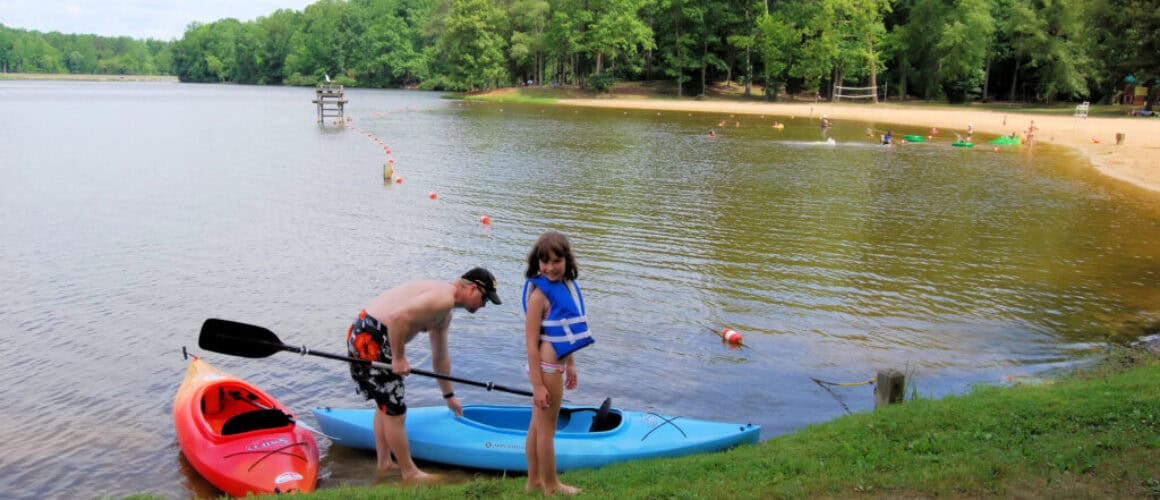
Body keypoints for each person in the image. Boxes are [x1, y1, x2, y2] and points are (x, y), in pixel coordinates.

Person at [345, 267, 502, 482]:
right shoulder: (443, 299)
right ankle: (409, 472)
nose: (483, 306)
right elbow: (397, 317)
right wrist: (398, 358)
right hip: (373, 335)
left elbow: (440, 358)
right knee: (395, 411)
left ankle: (385, 463)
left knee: (385, 404)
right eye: (485, 300)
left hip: (365, 330)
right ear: (474, 289)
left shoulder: (444, 314)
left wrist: (449, 397)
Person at [522, 231, 592, 496]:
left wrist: (571, 364)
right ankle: (552, 486)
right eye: (544, 261)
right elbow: (530, 344)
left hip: (555, 364)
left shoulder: (564, 287)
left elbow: (562, 333)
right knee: (547, 430)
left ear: (567, 261)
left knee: (536, 426)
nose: (550, 267)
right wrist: (538, 385)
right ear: (537, 262)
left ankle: (533, 482)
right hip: (546, 369)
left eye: (556, 261)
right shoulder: (539, 296)